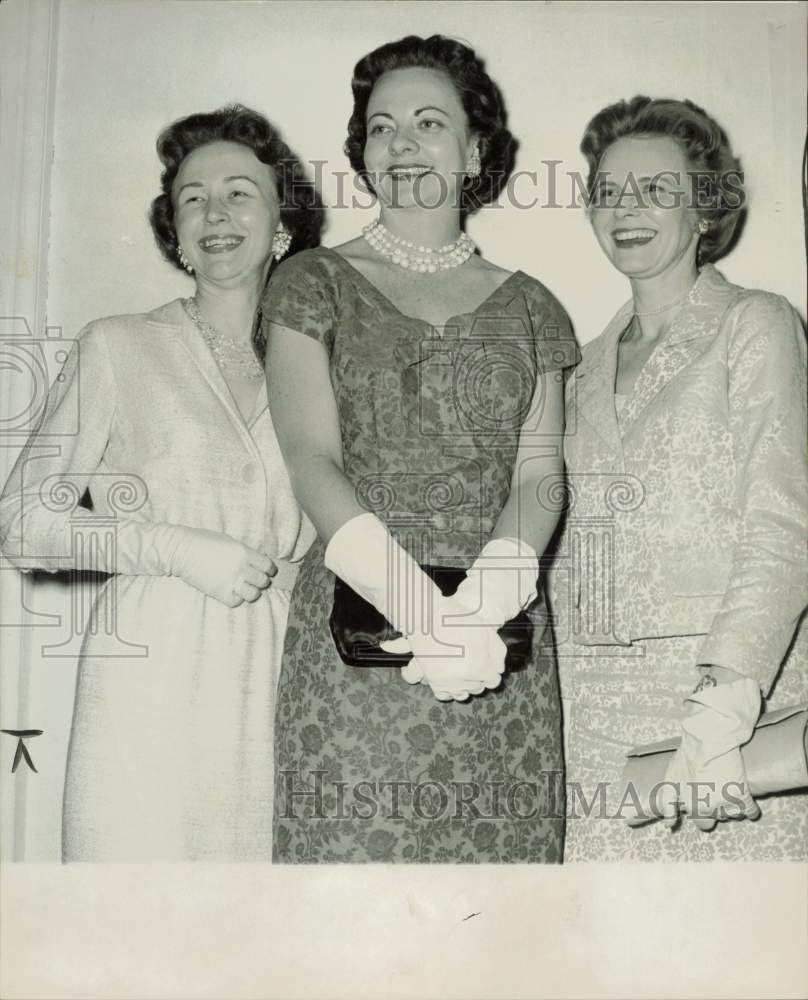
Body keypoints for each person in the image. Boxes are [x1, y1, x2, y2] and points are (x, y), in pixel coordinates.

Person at [262, 35, 580, 863]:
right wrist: (424, 617)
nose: (401, 144)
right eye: (381, 127)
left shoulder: (535, 307)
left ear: (475, 149)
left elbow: (541, 477)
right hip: (358, 643)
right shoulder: (310, 283)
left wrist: (473, 617)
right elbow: (310, 461)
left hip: (497, 651)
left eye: (428, 123)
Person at [0, 104, 323, 860]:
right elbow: (20, 520)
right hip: (148, 667)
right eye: (191, 197)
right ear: (174, 230)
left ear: (284, 219)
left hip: (277, 674)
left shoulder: (325, 366)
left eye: (240, 192)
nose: (215, 212)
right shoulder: (120, 347)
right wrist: (175, 547)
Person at [551, 95, 807, 861]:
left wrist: (723, 708)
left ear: (705, 210)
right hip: (593, 718)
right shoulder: (577, 367)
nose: (626, 209)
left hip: (727, 705)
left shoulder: (754, 323)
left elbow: (784, 523)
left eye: (657, 189)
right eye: (608, 191)